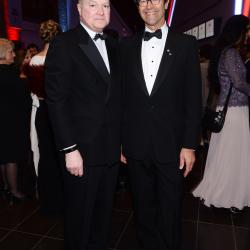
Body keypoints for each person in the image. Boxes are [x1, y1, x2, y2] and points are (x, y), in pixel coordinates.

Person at [121, 0, 201, 249]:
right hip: (136, 144)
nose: (149, 5)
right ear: (137, 7)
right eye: (143, 0)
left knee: (170, 209)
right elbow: (122, 100)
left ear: (166, 3)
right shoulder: (125, 46)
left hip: (172, 144)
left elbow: (193, 100)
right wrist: (121, 141)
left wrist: (189, 145)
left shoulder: (186, 45)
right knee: (143, 209)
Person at [45, 0, 121, 249]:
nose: (101, 11)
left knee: (103, 218)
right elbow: (56, 102)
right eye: (93, 5)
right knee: (80, 220)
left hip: (110, 150)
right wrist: (69, 150)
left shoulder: (114, 44)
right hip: (81, 152)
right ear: (78, 9)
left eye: (106, 6)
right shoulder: (64, 44)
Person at [193, 15, 250, 214]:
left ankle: (225, 191)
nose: (248, 33)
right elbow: (240, 83)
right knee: (234, 156)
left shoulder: (222, 53)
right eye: (247, 29)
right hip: (234, 112)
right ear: (239, 32)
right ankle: (232, 195)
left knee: (225, 155)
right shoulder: (231, 54)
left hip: (225, 111)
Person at [25, 20, 63, 214]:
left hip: (41, 112)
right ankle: (63, 200)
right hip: (59, 113)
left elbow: (33, 91)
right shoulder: (62, 59)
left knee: (45, 157)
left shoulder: (33, 60)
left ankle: (48, 203)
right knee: (62, 156)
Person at [0, 39, 31, 204]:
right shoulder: (11, 74)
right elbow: (24, 100)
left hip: (2, 120)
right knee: (11, 156)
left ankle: (5, 187)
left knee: (3, 156)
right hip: (11, 120)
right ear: (4, 54)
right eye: (11, 52)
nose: (13, 54)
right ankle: (14, 191)